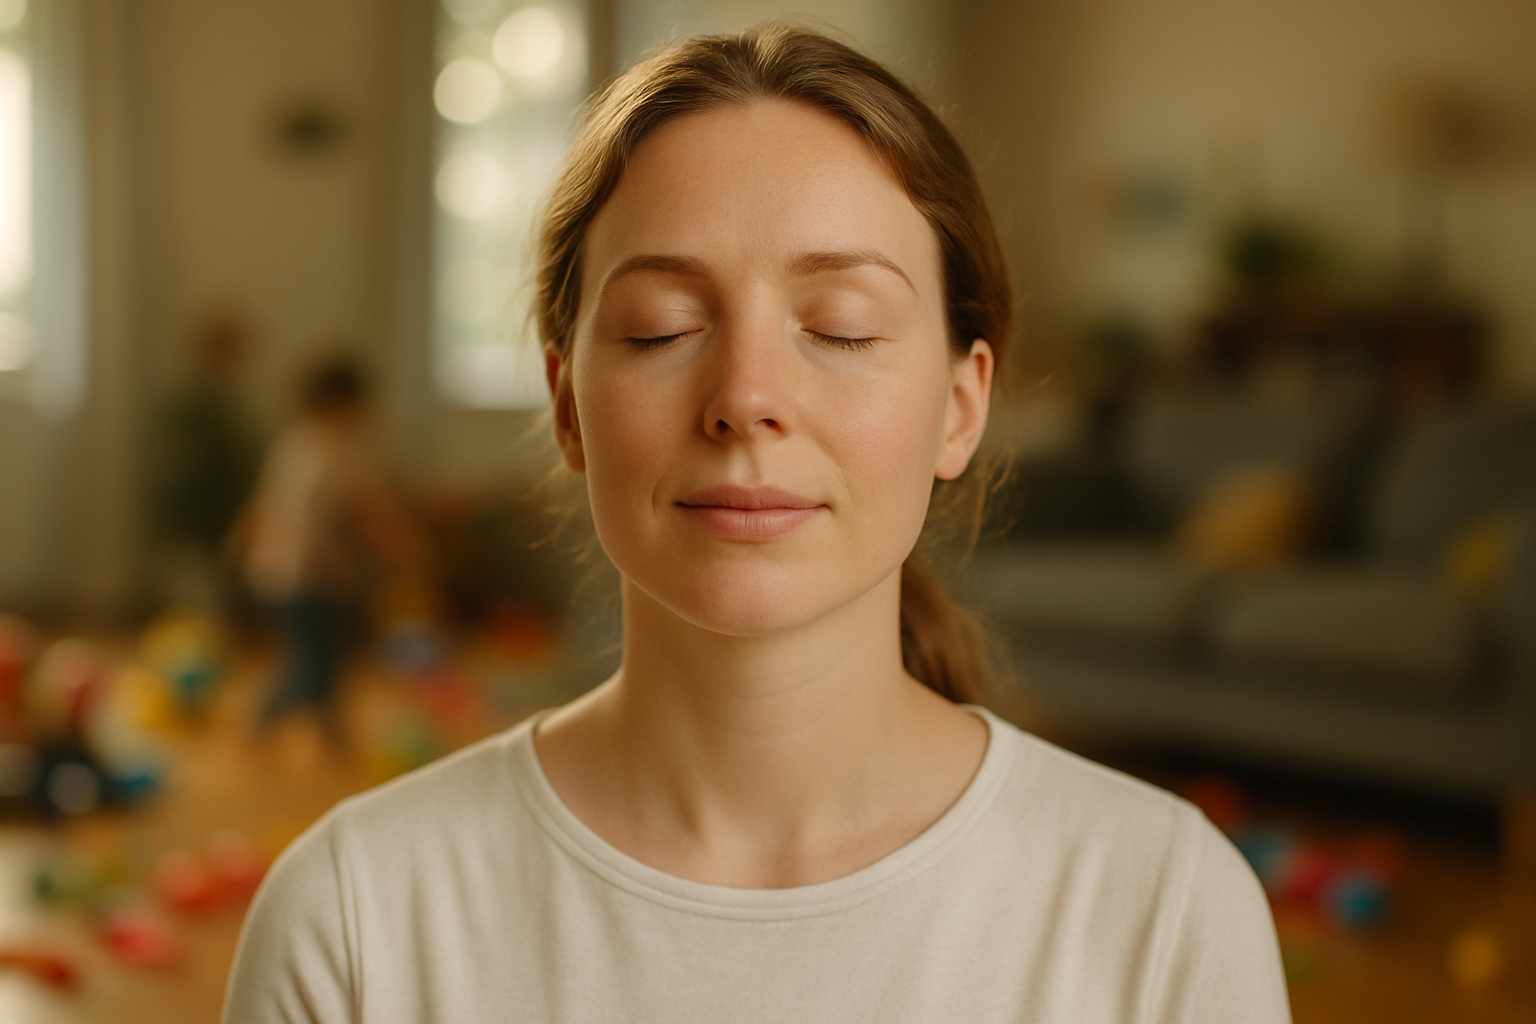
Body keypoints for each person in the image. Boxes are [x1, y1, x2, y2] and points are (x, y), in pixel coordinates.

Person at [224, 26, 1290, 1023]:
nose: (746, 396)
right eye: (662, 328)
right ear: (567, 407)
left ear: (961, 408)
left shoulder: (1165, 908)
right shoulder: (353, 917)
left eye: (841, 327)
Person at [237, 355, 423, 743]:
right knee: (316, 664)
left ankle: (332, 731)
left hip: (275, 572)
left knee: (323, 657)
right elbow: (369, 515)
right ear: (344, 405)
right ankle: (261, 717)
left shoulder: (293, 443)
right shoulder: (338, 453)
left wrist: (242, 547)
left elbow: (264, 505)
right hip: (310, 578)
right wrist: (409, 556)